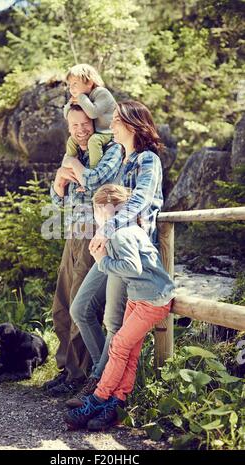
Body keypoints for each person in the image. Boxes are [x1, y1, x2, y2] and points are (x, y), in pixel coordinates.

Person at [66, 100, 166, 408]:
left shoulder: (147, 160)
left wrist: (106, 230)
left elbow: (140, 201)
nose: (113, 124)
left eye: (119, 120)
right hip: (109, 248)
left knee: (112, 320)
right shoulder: (122, 161)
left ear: (134, 125)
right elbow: (103, 198)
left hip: (129, 250)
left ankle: (101, 386)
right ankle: (100, 373)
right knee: (80, 309)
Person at [64, 183, 175, 431]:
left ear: (103, 209)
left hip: (152, 300)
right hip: (139, 297)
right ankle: (116, 404)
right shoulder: (125, 229)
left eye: (95, 209)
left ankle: (97, 399)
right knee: (129, 352)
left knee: (119, 345)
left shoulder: (121, 233)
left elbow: (132, 268)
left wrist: (102, 261)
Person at [43, 104, 123, 397]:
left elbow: (98, 185)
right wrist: (58, 180)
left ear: (95, 121)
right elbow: (58, 200)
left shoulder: (112, 150)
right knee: (61, 304)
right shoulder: (77, 154)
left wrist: (71, 172)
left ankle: (81, 375)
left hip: (94, 234)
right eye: (74, 125)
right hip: (73, 233)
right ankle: (66, 368)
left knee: (81, 304)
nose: (80, 130)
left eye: (85, 123)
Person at [63, 63, 116, 170]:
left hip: (109, 131)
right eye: (69, 85)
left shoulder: (102, 93)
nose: (71, 88)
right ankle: (68, 166)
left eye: (75, 84)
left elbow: (93, 113)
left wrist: (81, 98)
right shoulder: (84, 98)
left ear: (89, 83)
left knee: (93, 141)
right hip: (97, 132)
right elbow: (67, 115)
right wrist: (70, 104)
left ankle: (93, 170)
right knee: (71, 140)